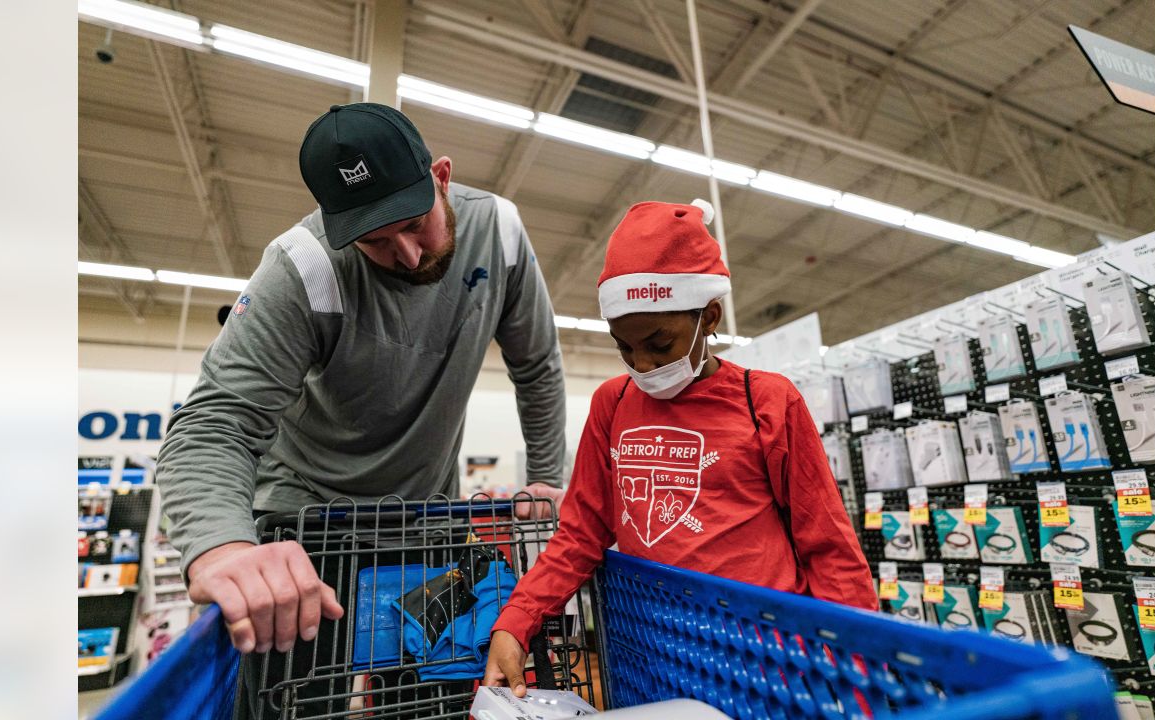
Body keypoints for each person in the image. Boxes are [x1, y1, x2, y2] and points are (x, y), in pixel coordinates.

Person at [156, 103, 568, 657]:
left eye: (416, 222)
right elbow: (214, 422)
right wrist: (224, 549)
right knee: (296, 699)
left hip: (429, 521)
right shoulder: (303, 266)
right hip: (309, 531)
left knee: (432, 702)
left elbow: (537, 366)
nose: (407, 254)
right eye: (375, 240)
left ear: (440, 177)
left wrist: (544, 481)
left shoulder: (501, 232)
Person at [482, 200, 877, 695]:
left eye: (660, 343)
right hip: (653, 654)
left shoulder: (767, 402)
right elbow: (581, 532)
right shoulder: (613, 404)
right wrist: (516, 620)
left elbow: (829, 547)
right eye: (624, 347)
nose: (642, 365)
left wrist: (854, 671)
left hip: (764, 660)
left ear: (708, 316)